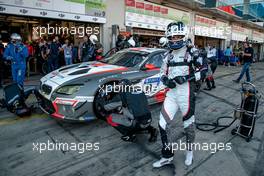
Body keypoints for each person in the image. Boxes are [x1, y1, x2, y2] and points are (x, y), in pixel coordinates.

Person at [153, 22, 197, 168]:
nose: (175, 39)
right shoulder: (168, 55)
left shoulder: (192, 52)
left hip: (187, 94)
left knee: (188, 126)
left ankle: (190, 152)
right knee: (162, 124)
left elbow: (204, 71)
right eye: (172, 37)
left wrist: (187, 78)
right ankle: (167, 156)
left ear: (184, 36)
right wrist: (165, 80)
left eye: (178, 36)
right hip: (171, 95)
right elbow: (161, 73)